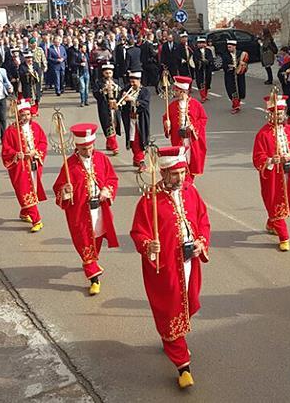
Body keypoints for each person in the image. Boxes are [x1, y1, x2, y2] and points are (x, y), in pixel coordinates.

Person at [129, 146, 210, 388]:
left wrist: (200, 242)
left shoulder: (190, 192)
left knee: (186, 303)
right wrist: (147, 245)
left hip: (189, 262)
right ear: (163, 173)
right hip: (164, 267)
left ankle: (170, 338)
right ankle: (182, 364)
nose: (181, 178)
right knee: (171, 309)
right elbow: (138, 232)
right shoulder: (149, 201)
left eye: (183, 172)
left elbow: (203, 220)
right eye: (175, 174)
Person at [52, 123, 119, 295]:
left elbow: (112, 179)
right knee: (84, 242)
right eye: (84, 149)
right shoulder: (70, 165)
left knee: (95, 240)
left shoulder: (102, 159)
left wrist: (106, 190)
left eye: (90, 148)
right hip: (80, 213)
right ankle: (94, 277)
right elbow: (58, 188)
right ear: (77, 147)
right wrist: (65, 191)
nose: (88, 152)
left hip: (99, 210)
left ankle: (92, 261)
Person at [253, 95, 290, 252]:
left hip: (288, 173)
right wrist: (270, 161)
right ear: (269, 114)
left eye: (280, 114)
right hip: (272, 175)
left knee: (283, 200)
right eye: (275, 113)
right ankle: (284, 236)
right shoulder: (263, 134)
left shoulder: (289, 130)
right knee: (274, 200)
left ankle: (271, 222)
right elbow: (258, 157)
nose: (278, 116)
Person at [1, 100, 48, 233]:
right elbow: (6, 149)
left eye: (28, 114)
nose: (26, 117)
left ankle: (24, 212)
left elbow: (43, 142)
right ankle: (37, 220)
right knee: (24, 190)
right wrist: (16, 154)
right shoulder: (11, 130)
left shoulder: (36, 127)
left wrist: (36, 152)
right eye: (23, 115)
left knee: (31, 189)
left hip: (33, 163)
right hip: (19, 166)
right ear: (18, 115)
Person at [163, 76, 208, 179]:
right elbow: (166, 118)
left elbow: (203, 119)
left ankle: (190, 180)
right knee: (181, 159)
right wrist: (167, 125)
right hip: (178, 138)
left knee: (191, 159)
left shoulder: (196, 104)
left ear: (183, 91)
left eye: (176, 90)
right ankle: (184, 180)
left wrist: (193, 127)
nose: (174, 92)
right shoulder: (172, 106)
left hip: (191, 138)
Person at [120, 71, 151, 171]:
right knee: (132, 140)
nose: (132, 84)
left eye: (134, 82)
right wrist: (122, 99)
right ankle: (137, 159)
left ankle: (141, 161)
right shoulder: (126, 89)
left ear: (139, 80)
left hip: (140, 120)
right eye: (131, 81)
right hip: (130, 120)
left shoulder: (145, 91)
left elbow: (144, 104)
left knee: (140, 139)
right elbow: (121, 104)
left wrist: (132, 99)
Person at [93, 63, 122, 154]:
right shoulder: (99, 83)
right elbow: (96, 94)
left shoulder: (117, 81)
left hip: (115, 106)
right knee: (108, 125)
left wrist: (116, 88)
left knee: (114, 124)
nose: (108, 75)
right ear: (103, 73)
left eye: (110, 73)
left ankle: (109, 143)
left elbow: (122, 91)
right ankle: (114, 146)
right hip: (105, 107)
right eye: (106, 73)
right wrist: (103, 90)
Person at [223, 39, 248, 114]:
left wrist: (242, 66)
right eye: (228, 47)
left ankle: (237, 104)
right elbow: (224, 65)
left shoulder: (241, 54)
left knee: (240, 90)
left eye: (230, 47)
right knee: (232, 91)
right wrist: (229, 67)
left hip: (239, 76)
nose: (229, 49)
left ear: (234, 47)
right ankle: (235, 106)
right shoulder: (225, 55)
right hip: (230, 76)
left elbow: (245, 63)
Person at [193, 36, 214, 101]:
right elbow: (195, 59)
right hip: (199, 69)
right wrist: (200, 62)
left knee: (207, 81)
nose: (201, 44)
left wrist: (208, 61)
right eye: (199, 43)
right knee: (200, 82)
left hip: (207, 69)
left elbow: (211, 58)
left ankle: (205, 95)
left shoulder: (208, 51)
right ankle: (202, 96)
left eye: (202, 43)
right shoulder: (196, 51)